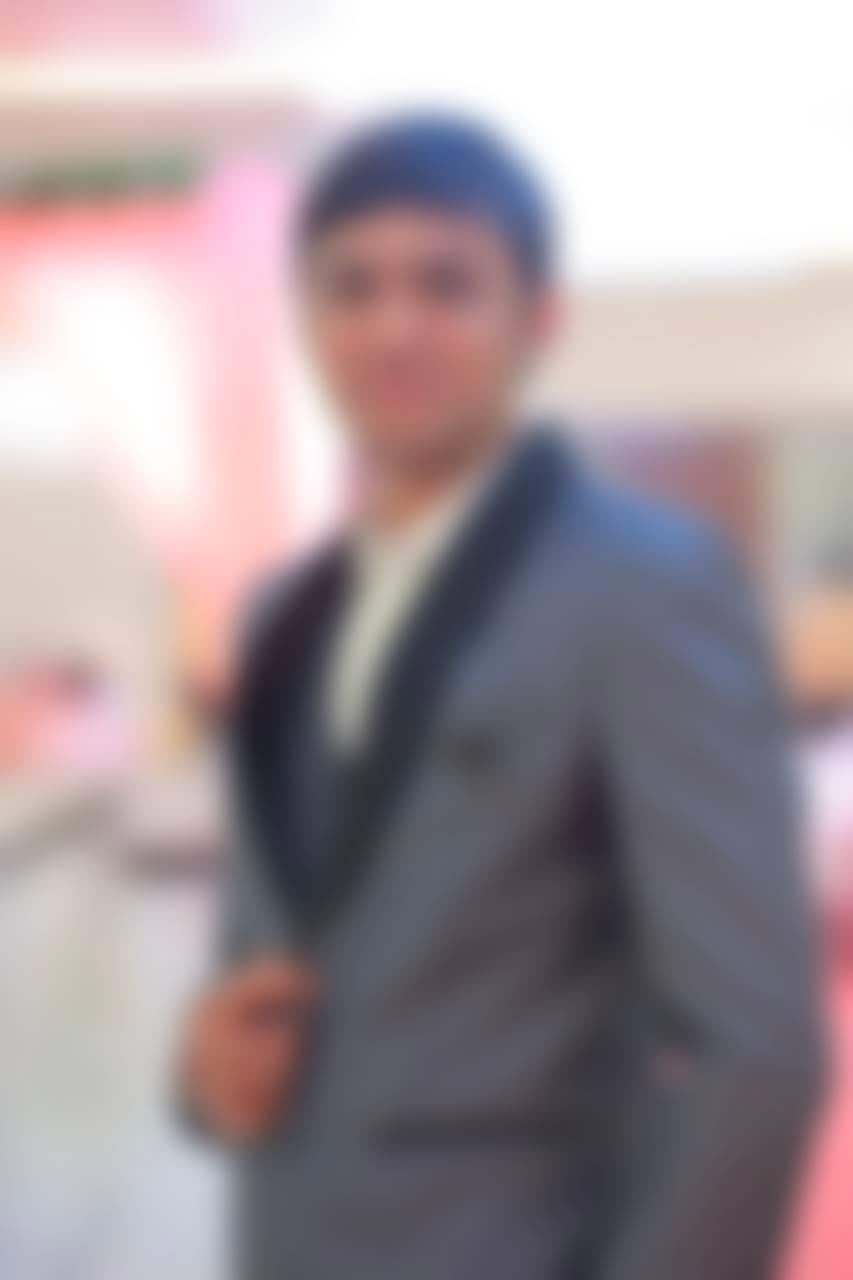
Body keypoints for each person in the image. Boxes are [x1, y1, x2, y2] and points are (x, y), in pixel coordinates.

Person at [177, 113, 824, 1279]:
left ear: (538, 318)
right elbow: (272, 946)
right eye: (351, 286)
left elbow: (758, 1048)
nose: (394, 326)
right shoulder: (280, 614)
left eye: (446, 284)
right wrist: (204, 1071)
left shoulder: (644, 588)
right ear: (306, 320)